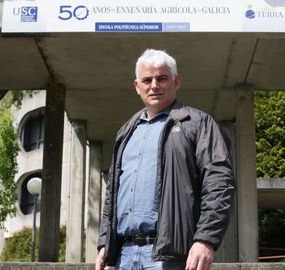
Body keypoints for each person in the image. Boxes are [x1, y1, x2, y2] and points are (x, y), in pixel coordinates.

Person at [96, 49, 234, 270]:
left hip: (170, 259)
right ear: (137, 86)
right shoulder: (126, 132)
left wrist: (205, 239)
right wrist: (105, 243)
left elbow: (219, 184)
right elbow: (112, 193)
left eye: (162, 78)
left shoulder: (198, 123)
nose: (154, 85)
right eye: (147, 80)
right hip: (124, 256)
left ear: (176, 81)